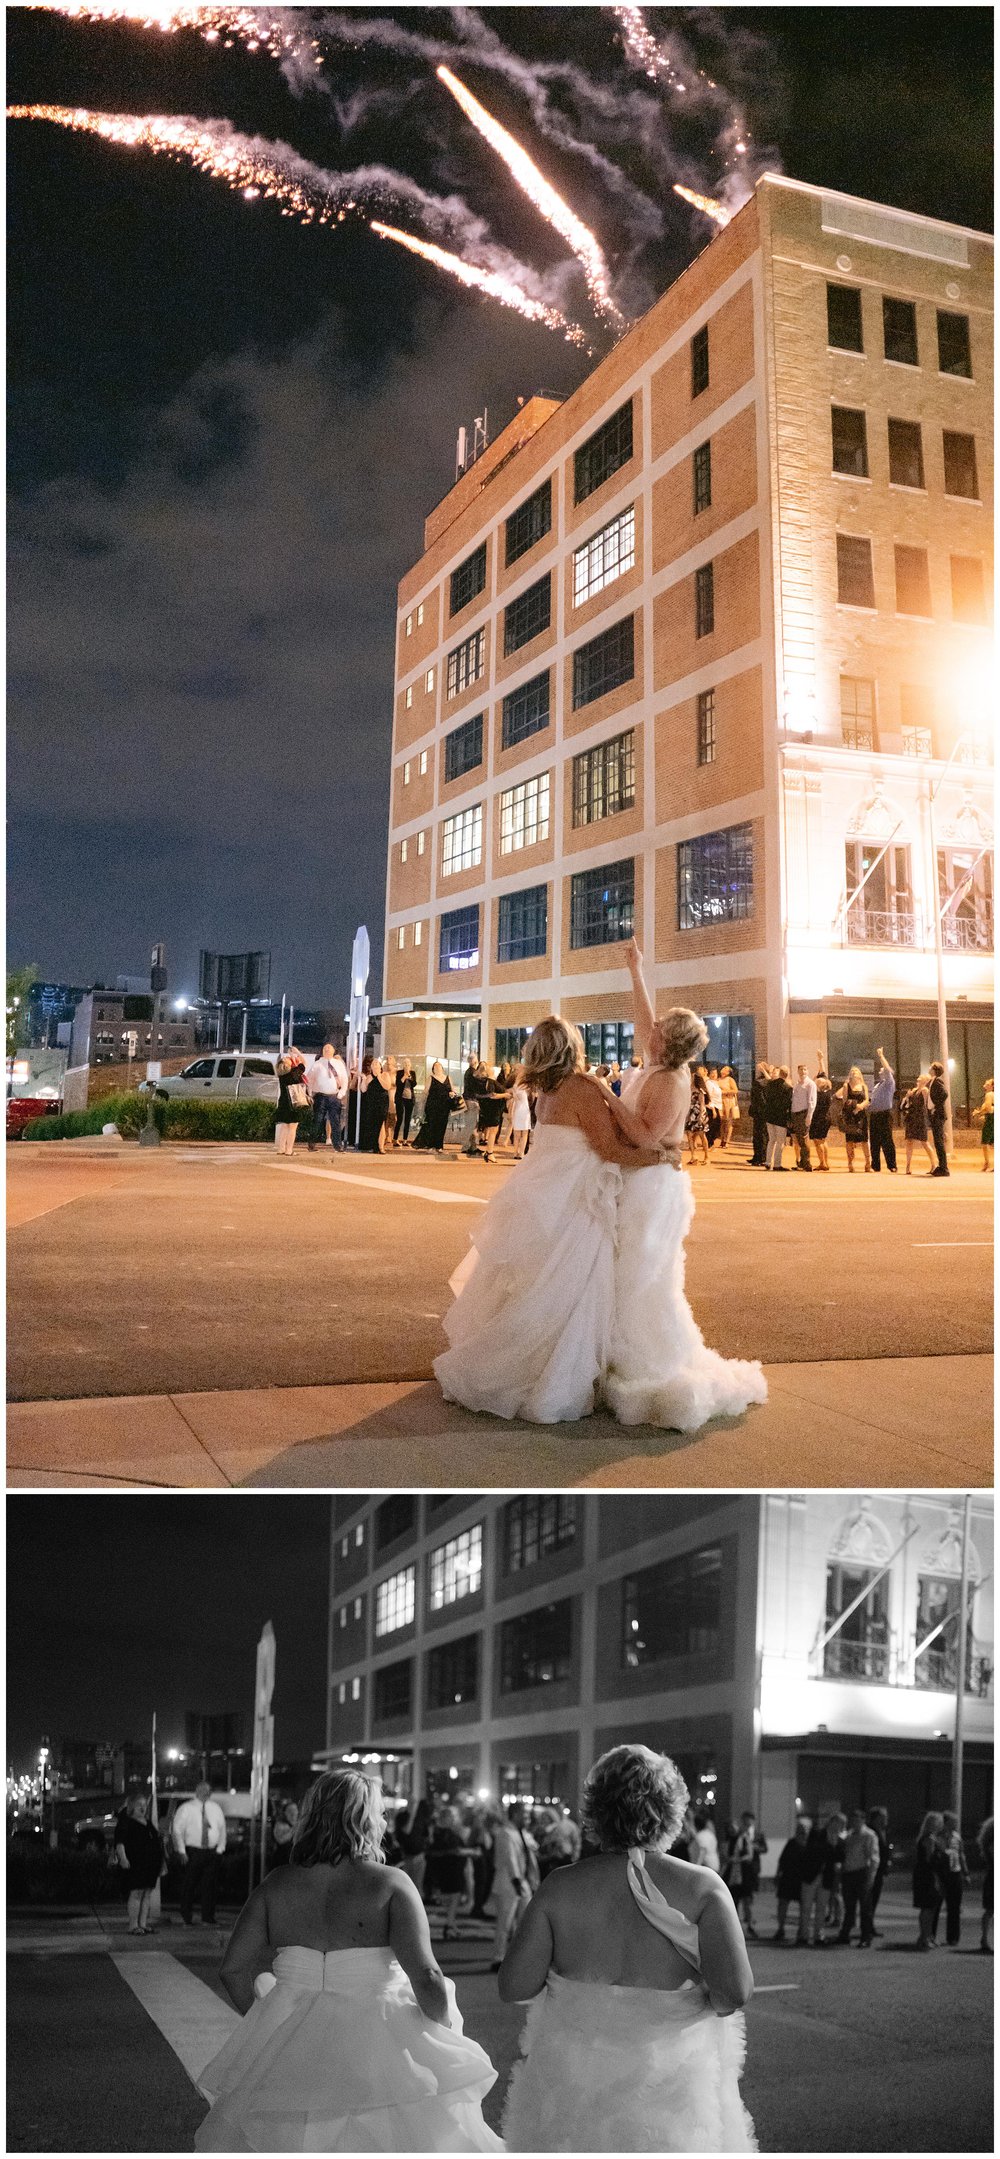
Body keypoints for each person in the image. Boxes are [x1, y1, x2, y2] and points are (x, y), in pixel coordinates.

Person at [194, 1767, 501, 2152]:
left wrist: (268, 2022)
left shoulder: (275, 1884)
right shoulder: (391, 1883)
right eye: (382, 1812)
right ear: (365, 1819)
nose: (386, 1821)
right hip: (380, 2043)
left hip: (290, 2035)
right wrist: (438, 2028)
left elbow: (232, 1969)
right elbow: (426, 1974)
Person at [498, 1743, 755, 2153]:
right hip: (669, 2091)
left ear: (595, 1811)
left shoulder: (559, 1888)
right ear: (672, 1808)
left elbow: (514, 1986)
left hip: (572, 2087)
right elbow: (734, 1993)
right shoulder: (703, 1888)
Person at [435, 1016, 665, 1422]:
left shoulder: (546, 1091)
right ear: (571, 1047)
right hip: (575, 1201)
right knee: (571, 1285)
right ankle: (549, 1377)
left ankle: (511, 1363)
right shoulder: (579, 1088)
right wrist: (659, 1156)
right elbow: (609, 1149)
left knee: (534, 1284)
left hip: (542, 1193)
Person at [601, 943, 768, 1432]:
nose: (647, 1031)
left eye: (657, 1030)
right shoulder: (656, 1064)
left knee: (640, 1276)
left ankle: (643, 1361)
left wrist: (602, 1099)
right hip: (644, 1179)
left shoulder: (671, 1080)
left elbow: (645, 1136)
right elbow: (643, 1017)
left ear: (667, 1043)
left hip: (652, 1188)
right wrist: (636, 970)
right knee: (625, 1271)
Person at [173, 1782, 227, 1926]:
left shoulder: (215, 1808)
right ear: (197, 1791)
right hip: (193, 1851)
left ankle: (208, 1917)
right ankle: (187, 1917)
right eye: (203, 1790)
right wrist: (181, 1851)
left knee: (209, 1886)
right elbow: (177, 1830)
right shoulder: (186, 1808)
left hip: (211, 1851)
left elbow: (222, 1829)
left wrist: (220, 1849)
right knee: (189, 1885)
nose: (206, 1792)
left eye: (209, 1790)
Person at [489, 1806, 534, 1971]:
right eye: (525, 1815)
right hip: (509, 1882)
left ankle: (517, 1957)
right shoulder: (506, 1833)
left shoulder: (521, 1833)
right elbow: (510, 1858)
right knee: (505, 1923)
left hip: (521, 1881)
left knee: (523, 1922)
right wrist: (516, 1879)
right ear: (515, 1815)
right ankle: (499, 1957)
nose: (527, 1818)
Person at [115, 1793, 164, 1935]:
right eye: (139, 1805)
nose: (143, 1808)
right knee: (136, 1893)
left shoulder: (147, 1823)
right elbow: (120, 1843)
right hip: (135, 1863)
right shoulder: (126, 1822)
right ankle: (133, 1925)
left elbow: (156, 1840)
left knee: (147, 1893)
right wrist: (123, 1859)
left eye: (144, 1805)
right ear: (131, 1806)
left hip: (150, 1864)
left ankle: (143, 1924)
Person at [836, 1810, 879, 1946]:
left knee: (865, 1907)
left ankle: (866, 1937)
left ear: (863, 1820)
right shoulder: (848, 1835)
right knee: (849, 1906)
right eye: (852, 1820)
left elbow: (873, 1857)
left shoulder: (868, 1835)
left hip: (861, 1873)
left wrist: (871, 1876)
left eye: (857, 1819)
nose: (854, 1822)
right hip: (848, 1874)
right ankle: (845, 1933)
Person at [428, 1805, 469, 1940]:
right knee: (454, 1897)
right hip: (449, 1868)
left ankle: (451, 1924)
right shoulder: (440, 1833)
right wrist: (455, 1852)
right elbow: (437, 1851)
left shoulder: (446, 1832)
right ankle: (449, 1926)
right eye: (451, 1817)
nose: (453, 1819)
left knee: (454, 1897)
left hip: (453, 1868)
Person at [724, 1813, 767, 1938]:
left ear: (737, 1826)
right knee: (734, 1902)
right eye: (729, 1828)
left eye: (733, 1827)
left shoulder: (743, 1838)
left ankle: (750, 1926)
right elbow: (725, 1855)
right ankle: (735, 1928)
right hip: (732, 1875)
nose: (731, 1830)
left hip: (745, 1873)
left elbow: (750, 1855)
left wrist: (737, 1859)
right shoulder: (727, 1840)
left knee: (747, 1901)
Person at [306, 1043, 348, 1153]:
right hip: (320, 1096)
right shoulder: (317, 1064)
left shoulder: (338, 1064)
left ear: (334, 1051)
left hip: (334, 1096)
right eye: (325, 1048)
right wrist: (310, 1093)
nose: (327, 1049)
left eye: (329, 1048)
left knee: (335, 1121)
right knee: (317, 1121)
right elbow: (310, 1079)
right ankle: (312, 1144)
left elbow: (344, 1079)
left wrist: (341, 1094)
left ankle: (337, 1145)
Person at [913, 1811, 946, 1949]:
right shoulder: (929, 1839)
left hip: (927, 1874)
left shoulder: (930, 1838)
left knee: (930, 1907)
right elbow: (929, 1860)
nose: (941, 1825)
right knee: (928, 1907)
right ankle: (924, 1937)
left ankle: (927, 1936)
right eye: (939, 1822)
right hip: (928, 1876)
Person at [413, 1061, 461, 1154]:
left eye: (439, 1066)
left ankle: (439, 1146)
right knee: (432, 1125)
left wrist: (452, 1094)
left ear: (442, 1068)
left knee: (442, 1125)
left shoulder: (448, 1078)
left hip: (445, 1105)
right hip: (433, 1105)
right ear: (433, 1069)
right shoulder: (431, 1078)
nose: (437, 1067)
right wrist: (421, 1105)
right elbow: (425, 1092)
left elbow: (453, 1090)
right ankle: (431, 1146)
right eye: (435, 1066)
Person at [773, 1820, 809, 1941]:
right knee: (783, 1903)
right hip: (788, 1877)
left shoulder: (810, 1844)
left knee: (804, 1906)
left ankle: (802, 1930)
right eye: (800, 1829)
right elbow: (782, 1860)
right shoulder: (791, 1843)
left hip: (803, 1879)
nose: (802, 1831)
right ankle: (781, 1928)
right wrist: (777, 1874)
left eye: (804, 1829)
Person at [940, 1810, 970, 1947]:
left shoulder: (956, 1837)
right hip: (942, 1873)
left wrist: (965, 1872)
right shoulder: (938, 1836)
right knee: (937, 1904)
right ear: (945, 1823)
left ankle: (953, 1937)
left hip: (955, 1872)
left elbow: (961, 1854)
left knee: (954, 1906)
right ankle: (931, 1935)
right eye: (953, 1822)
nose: (955, 1825)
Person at [796, 1818, 828, 1946]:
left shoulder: (825, 1840)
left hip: (822, 1878)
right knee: (807, 1908)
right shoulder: (806, 1842)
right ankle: (805, 1935)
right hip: (810, 1877)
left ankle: (816, 1935)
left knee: (818, 1908)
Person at [868, 1047, 897, 1173]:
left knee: (887, 1140)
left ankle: (892, 1165)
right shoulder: (878, 1085)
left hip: (885, 1114)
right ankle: (875, 1166)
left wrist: (881, 1056)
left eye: (882, 1069)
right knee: (874, 1141)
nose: (880, 1070)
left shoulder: (889, 1083)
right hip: (874, 1115)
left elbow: (887, 1068)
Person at [838, 1065, 871, 1172]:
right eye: (852, 1071)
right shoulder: (846, 1086)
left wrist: (861, 1106)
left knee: (864, 1140)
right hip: (850, 1116)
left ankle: (868, 1163)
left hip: (861, 1115)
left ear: (859, 1074)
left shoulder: (864, 1086)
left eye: (856, 1071)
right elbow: (844, 1101)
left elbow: (867, 1100)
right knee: (850, 1141)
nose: (854, 1072)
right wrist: (854, 1106)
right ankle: (850, 1163)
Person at [273, 1050, 307, 1157]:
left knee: (284, 1126)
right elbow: (304, 1063)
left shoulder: (281, 1075)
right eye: (286, 1058)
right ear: (287, 1064)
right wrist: (296, 1053)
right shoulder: (294, 1073)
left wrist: (291, 1058)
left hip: (283, 1101)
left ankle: (281, 1148)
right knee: (293, 1127)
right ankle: (289, 1150)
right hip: (293, 1102)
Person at [900, 1074, 934, 1175]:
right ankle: (908, 1166)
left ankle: (933, 1164)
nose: (918, 1079)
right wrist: (907, 1097)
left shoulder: (925, 1090)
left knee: (924, 1142)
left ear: (925, 1081)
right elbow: (906, 1104)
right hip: (911, 1118)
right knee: (909, 1141)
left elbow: (927, 1104)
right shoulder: (913, 1091)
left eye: (921, 1078)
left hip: (920, 1119)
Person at [867, 1808, 893, 1932]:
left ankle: (870, 1925)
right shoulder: (871, 1831)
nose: (886, 1819)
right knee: (869, 1898)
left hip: (880, 1870)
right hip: (872, 1870)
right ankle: (867, 1926)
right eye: (884, 1816)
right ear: (877, 1818)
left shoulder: (883, 1831)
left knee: (874, 1898)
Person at [358, 1057, 389, 1153]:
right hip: (371, 1103)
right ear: (371, 1067)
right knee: (372, 1123)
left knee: (381, 1124)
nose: (375, 1065)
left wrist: (379, 1076)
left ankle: (381, 1146)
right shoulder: (369, 1077)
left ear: (380, 1066)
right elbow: (363, 1089)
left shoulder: (385, 1075)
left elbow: (387, 1086)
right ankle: (373, 1145)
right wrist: (363, 1079)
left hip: (382, 1102)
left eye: (377, 1064)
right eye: (373, 1064)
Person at [789, 1064, 817, 1171]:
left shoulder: (810, 1084)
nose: (803, 1072)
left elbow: (812, 1101)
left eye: (805, 1069)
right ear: (798, 1071)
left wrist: (809, 1115)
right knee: (799, 1140)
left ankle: (807, 1163)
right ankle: (801, 1161)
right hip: (795, 1114)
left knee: (804, 1139)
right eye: (801, 1070)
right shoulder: (797, 1084)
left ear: (808, 1071)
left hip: (803, 1114)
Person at [927, 1061, 950, 1176]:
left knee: (939, 1142)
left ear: (935, 1070)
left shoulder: (937, 1080)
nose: (929, 1068)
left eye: (931, 1067)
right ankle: (941, 1166)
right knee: (937, 1142)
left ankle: (944, 1168)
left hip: (938, 1115)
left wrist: (936, 1106)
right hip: (935, 1115)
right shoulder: (932, 1081)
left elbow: (945, 1094)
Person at [685, 1069, 710, 1167]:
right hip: (690, 1113)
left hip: (698, 1112)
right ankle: (693, 1156)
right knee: (689, 1135)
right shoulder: (689, 1089)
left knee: (702, 1135)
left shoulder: (700, 1091)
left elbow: (702, 1104)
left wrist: (701, 1116)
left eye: (692, 1078)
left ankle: (707, 1156)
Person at [810, 1067, 833, 1171]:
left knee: (817, 1141)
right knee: (823, 1140)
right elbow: (823, 1074)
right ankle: (826, 1162)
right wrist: (821, 1061)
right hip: (826, 1118)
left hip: (818, 1119)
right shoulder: (828, 1092)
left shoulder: (818, 1095)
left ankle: (822, 1163)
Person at [748, 1062, 770, 1167]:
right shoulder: (762, 1082)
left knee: (761, 1135)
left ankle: (761, 1157)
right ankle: (757, 1156)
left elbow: (760, 1099)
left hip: (760, 1112)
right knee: (758, 1135)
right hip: (760, 1112)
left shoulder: (761, 1082)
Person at [978, 1816, 993, 1953]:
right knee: (990, 1909)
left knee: (990, 1910)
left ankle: (986, 1939)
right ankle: (985, 1939)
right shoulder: (992, 1843)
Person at [394, 1059, 417, 1147]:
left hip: (410, 1098)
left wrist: (410, 1077)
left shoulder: (413, 1073)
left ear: (410, 1065)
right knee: (399, 1119)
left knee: (407, 1120)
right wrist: (404, 1077)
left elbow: (414, 1084)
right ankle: (395, 1139)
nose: (407, 1065)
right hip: (400, 1098)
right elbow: (398, 1084)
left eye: (408, 1064)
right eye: (405, 1064)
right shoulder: (399, 1073)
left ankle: (405, 1140)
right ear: (403, 1065)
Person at [972, 1077, 994, 1171]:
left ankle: (987, 1163)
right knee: (992, 1142)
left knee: (985, 1142)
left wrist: (978, 1113)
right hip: (991, 1118)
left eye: (988, 1083)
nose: (985, 1084)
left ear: (992, 1086)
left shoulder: (989, 1094)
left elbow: (988, 1108)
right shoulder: (993, 1094)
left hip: (991, 1119)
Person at [509, 1074, 533, 1158]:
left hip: (518, 1111)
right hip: (525, 1111)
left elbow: (513, 1100)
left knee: (517, 1134)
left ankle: (515, 1152)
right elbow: (531, 1099)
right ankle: (521, 1152)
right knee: (524, 1133)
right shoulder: (526, 1087)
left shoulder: (514, 1087)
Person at [270, 1801, 299, 1866]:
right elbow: (281, 1840)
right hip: (282, 1862)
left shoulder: (299, 1824)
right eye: (290, 1811)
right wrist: (295, 1829)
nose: (293, 1813)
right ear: (285, 1813)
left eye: (295, 1810)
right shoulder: (281, 1825)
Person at [719, 1067, 739, 1147]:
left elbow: (735, 1090)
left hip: (728, 1102)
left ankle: (726, 1141)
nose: (722, 1070)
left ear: (728, 1072)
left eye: (725, 1070)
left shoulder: (730, 1079)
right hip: (720, 1102)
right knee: (722, 1122)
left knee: (728, 1122)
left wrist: (725, 1092)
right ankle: (722, 1139)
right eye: (722, 1069)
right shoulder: (718, 1079)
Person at [381, 1056, 398, 1152]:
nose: (389, 1060)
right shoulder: (384, 1071)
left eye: (391, 1059)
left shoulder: (396, 1072)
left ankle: (393, 1135)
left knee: (394, 1115)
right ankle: (386, 1135)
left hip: (394, 1093)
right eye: (388, 1059)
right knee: (386, 1115)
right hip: (386, 1094)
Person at [704, 1068, 723, 1148]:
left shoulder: (715, 1083)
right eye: (712, 1073)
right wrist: (713, 1109)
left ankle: (710, 1142)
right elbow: (709, 1096)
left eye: (715, 1073)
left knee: (717, 1125)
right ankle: (709, 1143)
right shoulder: (709, 1083)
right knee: (712, 1125)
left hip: (717, 1106)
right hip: (711, 1107)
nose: (714, 1074)